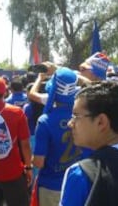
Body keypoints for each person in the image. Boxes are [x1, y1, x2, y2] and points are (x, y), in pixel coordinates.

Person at [32, 68, 88, 206]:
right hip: (79, 182)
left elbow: (38, 162)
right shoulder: (87, 116)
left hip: (51, 187)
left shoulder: (45, 121)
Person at [0, 76, 32, 206]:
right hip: (13, 173)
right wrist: (28, 167)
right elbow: (25, 145)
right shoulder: (17, 112)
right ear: (5, 91)